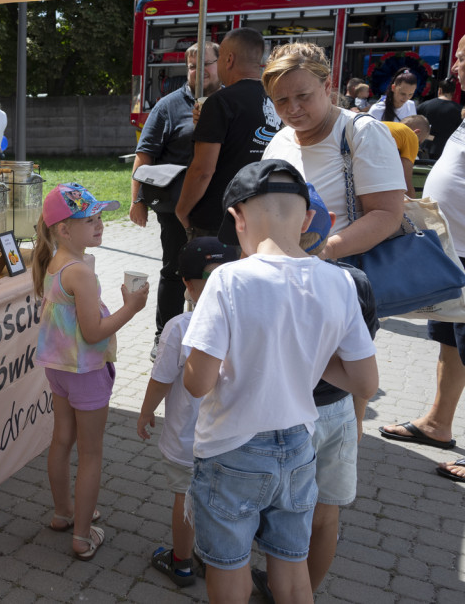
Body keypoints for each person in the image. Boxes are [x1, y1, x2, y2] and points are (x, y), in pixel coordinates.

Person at [184, 160, 379, 604]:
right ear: (307, 217)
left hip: (231, 448)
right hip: (298, 448)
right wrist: (308, 354)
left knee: (229, 569)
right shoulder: (340, 282)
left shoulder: (227, 280)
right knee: (291, 573)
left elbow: (198, 384)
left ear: (237, 219)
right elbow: (364, 383)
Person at [250, 184, 381, 600]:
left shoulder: (259, 281)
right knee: (325, 518)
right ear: (328, 229)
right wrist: (358, 417)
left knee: (283, 517)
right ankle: (302, 592)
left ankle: (279, 586)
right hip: (338, 412)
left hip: (285, 414)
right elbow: (364, 361)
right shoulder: (354, 282)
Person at [33, 183, 149, 560]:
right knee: (92, 454)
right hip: (86, 371)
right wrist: (131, 307)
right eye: (90, 219)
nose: (100, 224)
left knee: (62, 439)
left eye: (100, 217)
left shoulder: (55, 261)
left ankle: (63, 511)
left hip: (59, 370)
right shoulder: (81, 273)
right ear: (65, 229)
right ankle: (83, 535)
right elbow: (93, 332)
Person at [381, 34, 465, 473]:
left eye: (464, 57)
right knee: (450, 340)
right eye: (458, 55)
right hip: (450, 251)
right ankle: (437, 423)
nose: (457, 63)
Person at [137, 236, 238, 589]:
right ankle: (220, 562)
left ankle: (181, 563)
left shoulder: (179, 327)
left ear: (186, 284)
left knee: (186, 500)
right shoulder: (248, 323)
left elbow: (161, 379)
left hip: (186, 443)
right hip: (233, 441)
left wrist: (145, 411)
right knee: (223, 503)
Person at [261, 42, 404, 263]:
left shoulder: (362, 132)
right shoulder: (280, 140)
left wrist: (327, 250)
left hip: (341, 276)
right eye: (281, 100)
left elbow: (387, 214)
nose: (292, 108)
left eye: (303, 96)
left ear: (327, 86)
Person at [131, 42, 222, 354]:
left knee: (215, 272)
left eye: (206, 64)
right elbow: (144, 156)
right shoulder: (168, 106)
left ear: (221, 64)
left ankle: (209, 339)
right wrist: (137, 200)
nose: (200, 72)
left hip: (218, 207)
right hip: (174, 207)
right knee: (174, 271)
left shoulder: (227, 102)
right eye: (193, 66)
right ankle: (165, 338)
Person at [175, 27, 282, 237]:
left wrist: (181, 210)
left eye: (220, 56)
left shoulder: (220, 102)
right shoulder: (277, 99)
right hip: (262, 215)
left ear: (229, 59)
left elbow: (202, 170)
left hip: (218, 221)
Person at [417, 78, 462, 159]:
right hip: (446, 150)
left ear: (440, 90)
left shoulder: (424, 105)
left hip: (424, 148)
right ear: (454, 92)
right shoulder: (459, 110)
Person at [380, 119, 421, 197]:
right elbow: (406, 184)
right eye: (419, 143)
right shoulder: (410, 134)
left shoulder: (386, 126)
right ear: (417, 132)